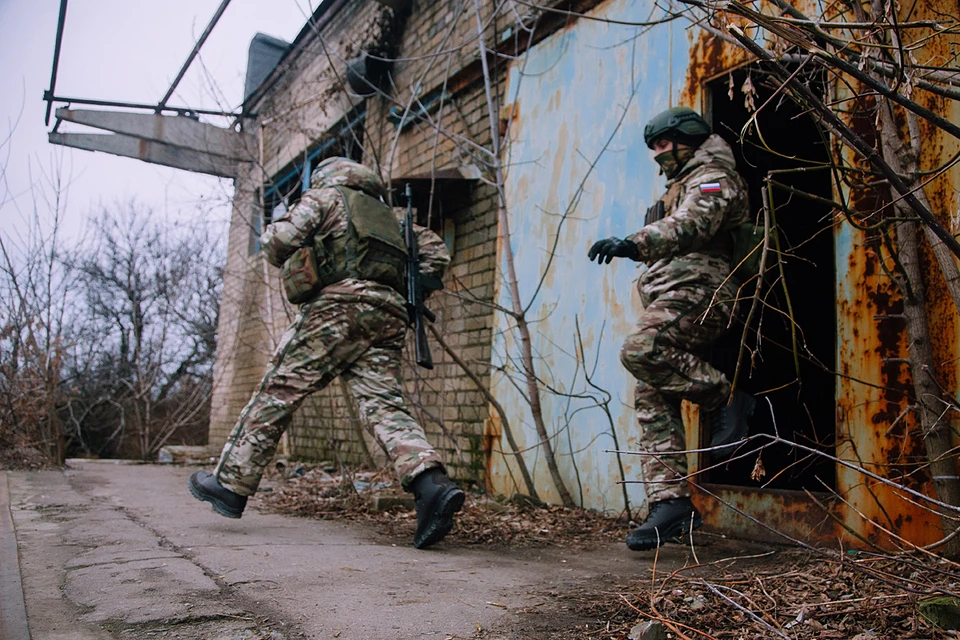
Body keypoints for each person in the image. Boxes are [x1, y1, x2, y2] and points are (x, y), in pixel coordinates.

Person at [189, 157, 464, 550]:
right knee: (385, 405)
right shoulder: (394, 218)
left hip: (338, 307)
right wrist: (403, 289)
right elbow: (436, 254)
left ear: (326, 177)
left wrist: (303, 242)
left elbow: (275, 243)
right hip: (388, 315)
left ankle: (229, 484)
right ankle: (431, 484)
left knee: (280, 389)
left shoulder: (325, 198)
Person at [587, 107, 756, 551]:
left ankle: (727, 399)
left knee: (641, 349)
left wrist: (634, 243)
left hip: (705, 292)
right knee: (650, 391)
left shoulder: (714, 176)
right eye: (654, 148)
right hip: (675, 294)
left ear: (689, 138)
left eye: (664, 144)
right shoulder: (681, 184)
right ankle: (672, 503)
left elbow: (693, 223)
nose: (659, 154)